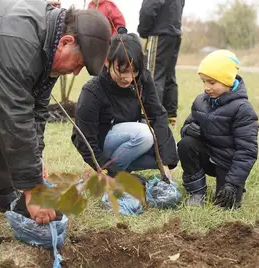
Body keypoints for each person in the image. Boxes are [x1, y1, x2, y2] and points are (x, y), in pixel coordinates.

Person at [0, 0, 111, 257]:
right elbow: (16, 116)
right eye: (79, 64)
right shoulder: (18, 38)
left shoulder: (48, 50)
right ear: (66, 41)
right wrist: (34, 189)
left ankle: (3, 192)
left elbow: (35, 114)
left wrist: (34, 167)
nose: (75, 72)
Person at [71, 33, 179, 177]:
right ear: (107, 62)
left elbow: (157, 115)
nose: (128, 78)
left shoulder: (143, 79)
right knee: (144, 134)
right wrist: (107, 168)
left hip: (127, 140)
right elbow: (83, 140)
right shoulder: (92, 91)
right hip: (102, 145)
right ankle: (114, 175)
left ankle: (119, 172)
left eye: (134, 71)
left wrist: (165, 163)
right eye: (122, 71)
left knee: (168, 150)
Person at [178, 50, 259, 209]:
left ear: (227, 80)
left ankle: (232, 187)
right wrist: (189, 129)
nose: (207, 87)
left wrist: (232, 183)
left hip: (228, 164)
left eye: (212, 82)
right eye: (204, 81)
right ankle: (197, 192)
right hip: (208, 156)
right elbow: (185, 129)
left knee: (225, 207)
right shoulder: (201, 101)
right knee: (186, 143)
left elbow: (247, 151)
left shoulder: (243, 110)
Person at [137, 0, 185, 127]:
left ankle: (152, 117)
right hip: (174, 33)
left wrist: (143, 30)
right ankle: (170, 116)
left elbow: (149, 8)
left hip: (159, 33)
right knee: (169, 75)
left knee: (152, 75)